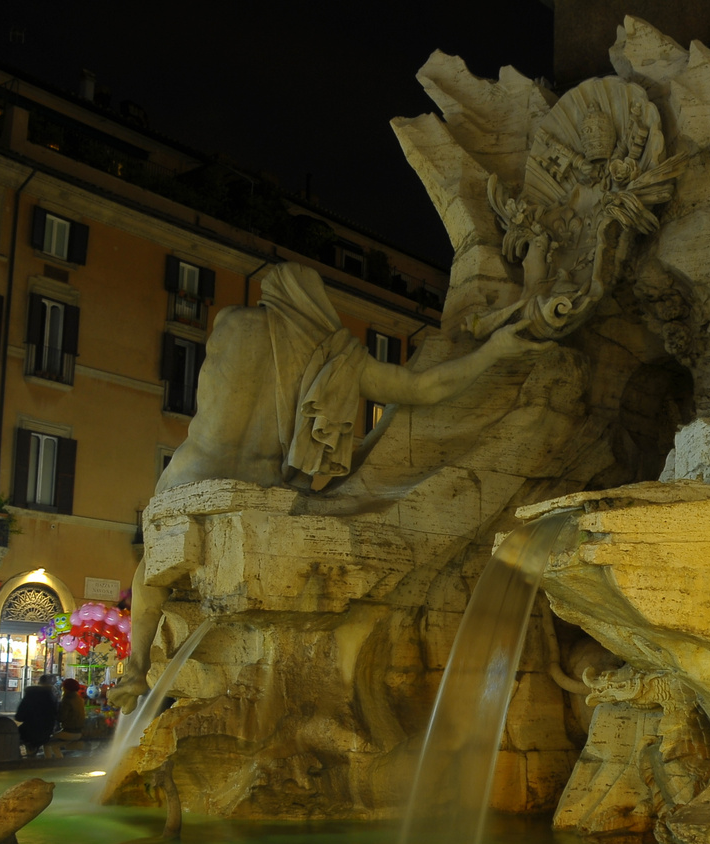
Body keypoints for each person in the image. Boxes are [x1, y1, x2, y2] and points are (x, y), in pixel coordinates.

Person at [110, 262, 555, 711]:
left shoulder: (233, 322)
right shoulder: (336, 358)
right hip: (261, 490)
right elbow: (424, 387)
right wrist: (495, 349)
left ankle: (135, 668)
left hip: (188, 475)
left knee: (153, 568)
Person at [15, 674, 59, 755]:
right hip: (47, 731)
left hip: (30, 731)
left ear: (39, 682)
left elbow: (19, 717)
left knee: (13, 736)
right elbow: (56, 714)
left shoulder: (30, 694)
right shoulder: (52, 697)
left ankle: (16, 760)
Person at [48, 678, 87, 758]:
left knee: (47, 743)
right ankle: (58, 762)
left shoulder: (67, 699)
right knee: (55, 746)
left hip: (69, 731)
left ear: (66, 688)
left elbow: (61, 717)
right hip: (78, 731)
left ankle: (49, 763)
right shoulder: (79, 699)